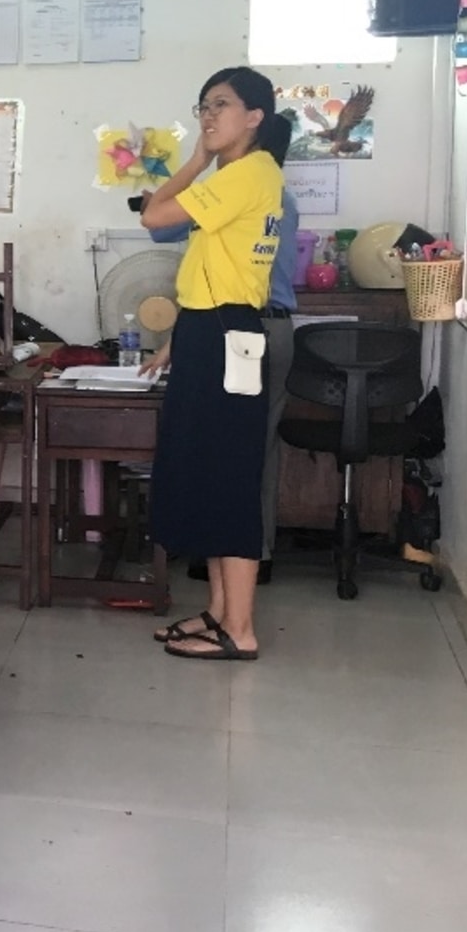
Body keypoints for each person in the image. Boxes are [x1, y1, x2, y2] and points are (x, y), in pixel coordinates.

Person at [140, 68, 291, 662]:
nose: (208, 116)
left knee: (228, 479)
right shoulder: (242, 177)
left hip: (230, 335)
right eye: (203, 106)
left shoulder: (248, 172)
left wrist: (196, 158)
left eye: (222, 106)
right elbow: (214, 273)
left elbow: (154, 215)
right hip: (211, 329)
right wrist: (181, 338)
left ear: (254, 117)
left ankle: (241, 629)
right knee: (208, 472)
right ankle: (221, 613)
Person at [145, 156, 300, 585]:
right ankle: (251, 553)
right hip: (267, 325)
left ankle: (229, 552)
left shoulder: (232, 191)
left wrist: (188, 177)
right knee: (253, 447)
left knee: (227, 453)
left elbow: (157, 222)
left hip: (237, 329)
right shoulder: (280, 197)